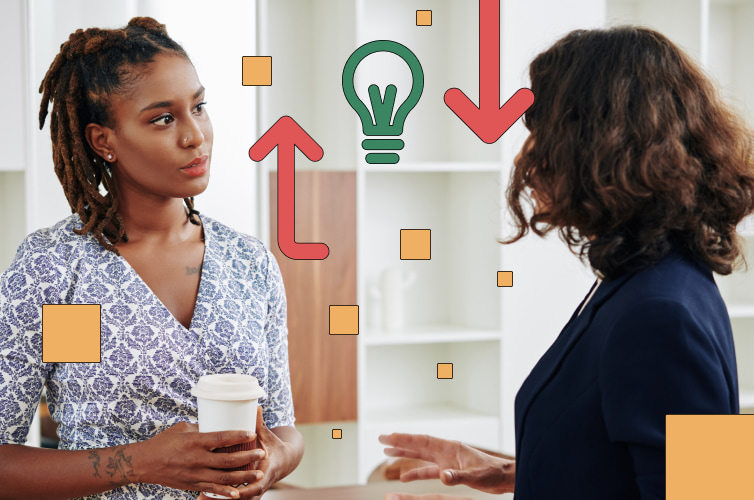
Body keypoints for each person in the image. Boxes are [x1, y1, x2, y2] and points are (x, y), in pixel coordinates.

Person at [379, 26, 754, 500]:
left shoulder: (660, 313)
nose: (524, 155)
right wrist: (522, 472)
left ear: (598, 145)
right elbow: (631, 467)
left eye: (541, 133)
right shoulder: (650, 281)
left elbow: (712, 491)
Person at [0, 17, 303, 500]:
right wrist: (143, 462)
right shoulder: (56, 271)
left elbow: (285, 430)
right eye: (163, 118)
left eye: (199, 107)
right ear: (104, 141)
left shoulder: (252, 264)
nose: (195, 135)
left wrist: (274, 463)